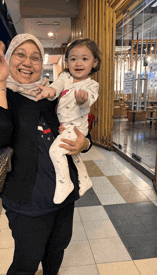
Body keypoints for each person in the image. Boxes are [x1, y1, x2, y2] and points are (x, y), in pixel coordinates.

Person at [0, 33, 93, 275]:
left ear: (42, 63)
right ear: (9, 57)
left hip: (63, 194)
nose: (28, 62)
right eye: (20, 54)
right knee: (26, 261)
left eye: (35, 57)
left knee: (59, 244)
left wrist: (85, 144)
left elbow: (79, 129)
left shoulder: (50, 95)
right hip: (26, 199)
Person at [36, 38, 101, 204]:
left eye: (84, 58)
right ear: (67, 62)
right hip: (65, 127)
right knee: (73, 154)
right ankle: (84, 179)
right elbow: (56, 87)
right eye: (73, 59)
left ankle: (65, 184)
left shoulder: (91, 85)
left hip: (78, 128)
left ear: (94, 62)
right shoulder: (65, 77)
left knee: (55, 152)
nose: (78, 63)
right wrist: (49, 91)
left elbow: (89, 102)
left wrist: (82, 101)